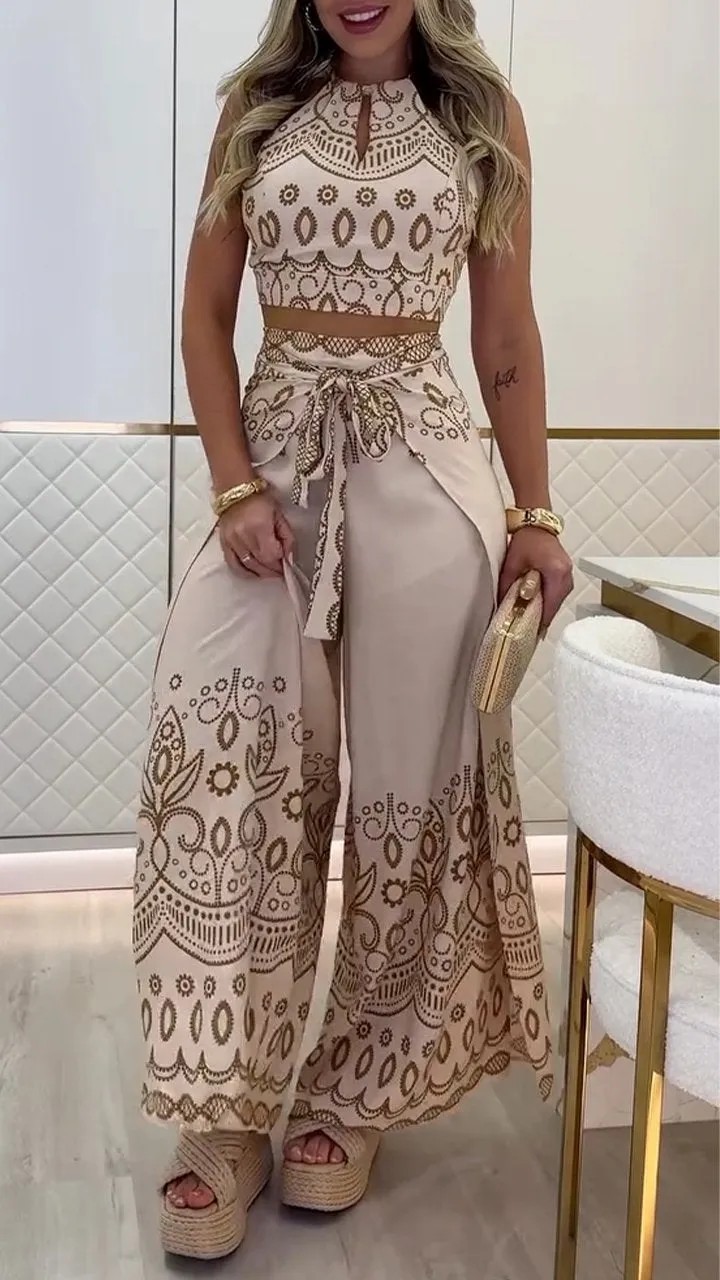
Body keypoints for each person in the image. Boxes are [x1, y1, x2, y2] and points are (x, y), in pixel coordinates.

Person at [133, 0, 574, 1260]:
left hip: (426, 474)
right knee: (228, 774)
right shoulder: (256, 104)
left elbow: (503, 334)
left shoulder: (482, 116)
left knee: (410, 795)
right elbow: (206, 312)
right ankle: (224, 1109)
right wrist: (233, 484)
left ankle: (355, 1088)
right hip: (272, 470)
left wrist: (534, 511)